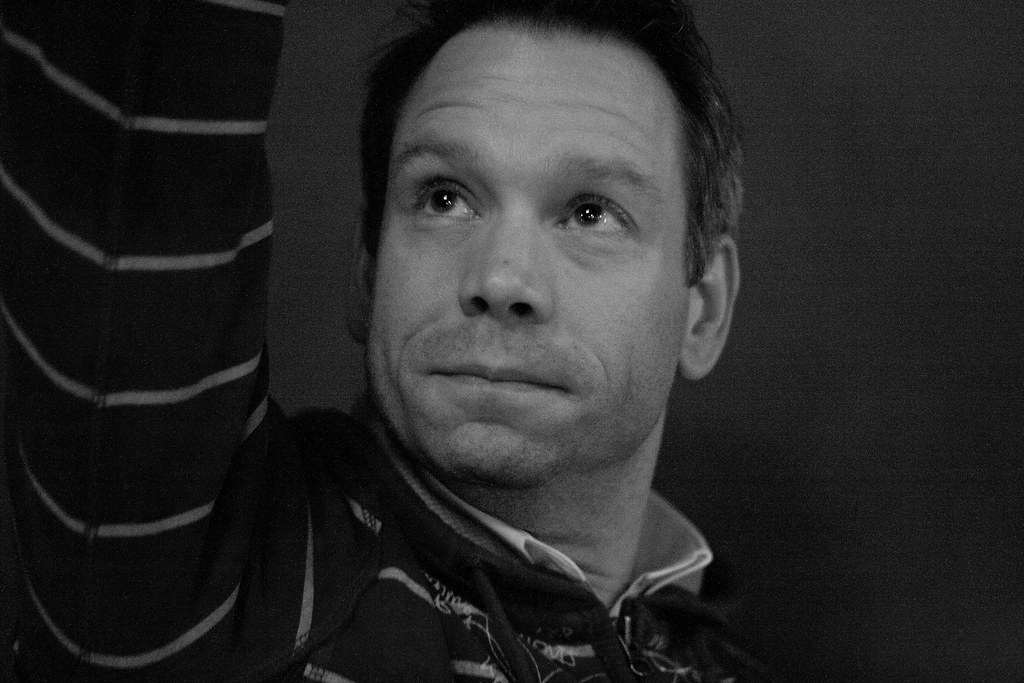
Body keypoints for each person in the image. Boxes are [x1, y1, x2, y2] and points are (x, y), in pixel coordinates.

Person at [0, 0, 766, 680]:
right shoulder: (212, 581)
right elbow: (132, 121)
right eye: (444, 197)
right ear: (367, 271)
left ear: (703, 310)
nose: (502, 277)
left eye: (591, 211)